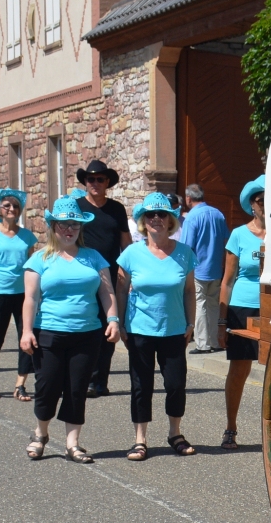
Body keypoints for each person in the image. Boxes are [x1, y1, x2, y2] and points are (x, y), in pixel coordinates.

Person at [21, 195, 120, 462]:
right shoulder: (39, 259)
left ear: (80, 228)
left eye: (74, 225)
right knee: (48, 386)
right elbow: (30, 298)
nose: (69, 230)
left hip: (87, 334)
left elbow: (107, 292)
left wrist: (113, 320)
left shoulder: (94, 257)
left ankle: (73, 443)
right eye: (63, 224)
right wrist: (26, 331)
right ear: (53, 227)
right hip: (49, 333)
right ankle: (41, 434)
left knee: (77, 389)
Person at [116, 192, 197, 460]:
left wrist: (190, 322)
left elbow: (188, 291)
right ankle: (140, 439)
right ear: (143, 221)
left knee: (175, 384)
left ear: (171, 220)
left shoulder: (185, 254)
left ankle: (175, 433)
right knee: (142, 385)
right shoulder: (130, 254)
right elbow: (120, 289)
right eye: (150, 215)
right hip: (139, 329)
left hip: (173, 329)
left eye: (162, 214)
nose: (156, 219)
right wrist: (120, 321)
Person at [74, 159, 130, 398]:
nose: (95, 183)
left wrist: (129, 270)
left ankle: (100, 380)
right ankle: (82, 377)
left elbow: (125, 243)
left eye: (100, 179)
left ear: (107, 182)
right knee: (85, 326)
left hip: (109, 276)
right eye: (91, 179)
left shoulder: (116, 209)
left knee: (109, 325)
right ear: (85, 182)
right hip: (82, 274)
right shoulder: (75, 207)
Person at [218, 175, 266, 450]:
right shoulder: (238, 235)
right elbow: (227, 280)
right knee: (239, 369)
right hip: (243, 306)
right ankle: (231, 427)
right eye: (262, 200)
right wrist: (221, 322)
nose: (268, 205)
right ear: (252, 204)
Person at [0, 189, 37, 400]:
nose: (12, 209)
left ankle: (20, 383)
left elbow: (31, 267)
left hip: (23, 294)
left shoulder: (27, 236)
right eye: (7, 206)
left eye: (16, 206)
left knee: (27, 336)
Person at [175, 182, 228, 354]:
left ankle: (202, 344)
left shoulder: (192, 217)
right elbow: (225, 240)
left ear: (188, 198)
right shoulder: (218, 214)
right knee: (213, 305)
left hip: (198, 270)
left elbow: (186, 247)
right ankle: (214, 342)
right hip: (215, 268)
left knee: (199, 306)